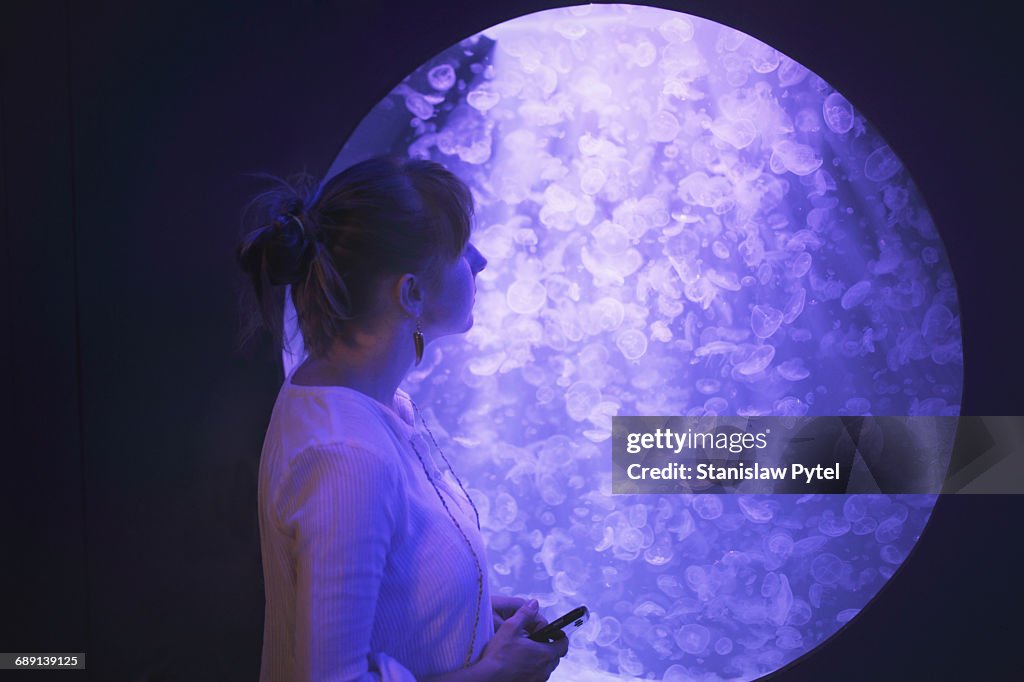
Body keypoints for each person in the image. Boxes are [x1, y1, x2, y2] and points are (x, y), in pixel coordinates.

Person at [236, 156, 569, 681]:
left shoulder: (356, 402)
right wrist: (496, 674)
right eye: (461, 249)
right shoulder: (347, 455)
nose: (479, 263)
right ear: (410, 292)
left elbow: (380, 604)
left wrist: (472, 616)